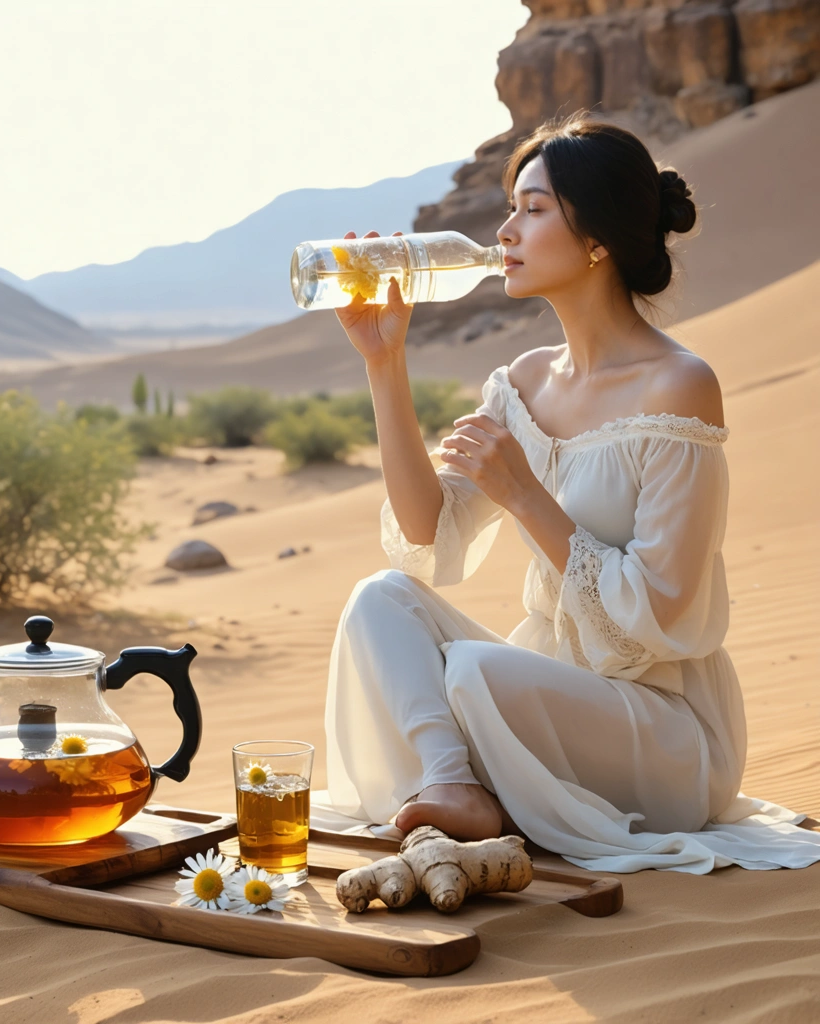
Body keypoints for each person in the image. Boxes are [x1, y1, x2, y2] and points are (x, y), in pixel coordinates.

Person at [316, 113, 820, 873]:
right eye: (512, 207)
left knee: (475, 671)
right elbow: (428, 532)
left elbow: (662, 616)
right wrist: (384, 363)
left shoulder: (679, 386)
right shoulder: (520, 382)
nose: (506, 229)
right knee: (379, 599)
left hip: (665, 729)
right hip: (538, 694)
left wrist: (525, 495)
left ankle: (466, 783)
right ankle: (456, 784)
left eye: (534, 207)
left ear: (599, 240)